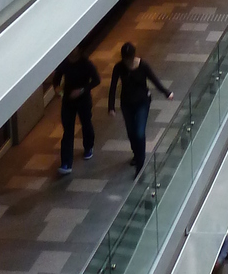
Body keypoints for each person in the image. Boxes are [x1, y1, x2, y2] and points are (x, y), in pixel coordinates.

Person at [108, 42, 172, 175]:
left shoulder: (143, 65)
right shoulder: (119, 67)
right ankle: (136, 154)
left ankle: (140, 162)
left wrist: (166, 92)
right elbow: (113, 86)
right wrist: (111, 106)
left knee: (139, 132)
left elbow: (154, 80)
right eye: (125, 59)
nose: (127, 62)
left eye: (128, 59)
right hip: (126, 103)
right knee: (131, 132)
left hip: (142, 102)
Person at [53, 43, 101, 174]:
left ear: (79, 49)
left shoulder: (86, 64)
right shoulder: (64, 63)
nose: (71, 51)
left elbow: (96, 80)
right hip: (68, 101)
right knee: (68, 131)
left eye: (74, 48)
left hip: (83, 100)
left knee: (86, 123)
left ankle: (88, 147)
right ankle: (66, 163)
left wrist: (82, 90)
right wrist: (57, 88)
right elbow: (56, 78)